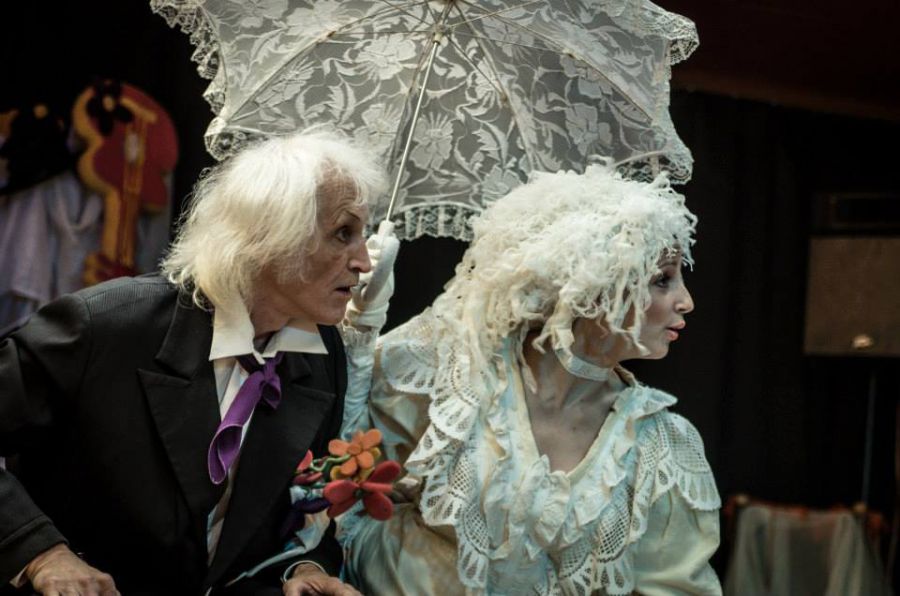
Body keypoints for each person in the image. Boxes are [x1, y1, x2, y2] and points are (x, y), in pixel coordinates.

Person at [0, 129, 396, 595]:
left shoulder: (322, 360)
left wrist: (304, 570)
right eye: (343, 233)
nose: (364, 262)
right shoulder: (106, 326)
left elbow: (293, 518)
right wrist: (40, 553)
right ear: (273, 235)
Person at [339, 163, 723, 595]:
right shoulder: (453, 365)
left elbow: (673, 586)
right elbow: (337, 462)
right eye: (662, 279)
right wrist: (357, 330)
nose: (686, 301)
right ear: (590, 285)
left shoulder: (660, 444)